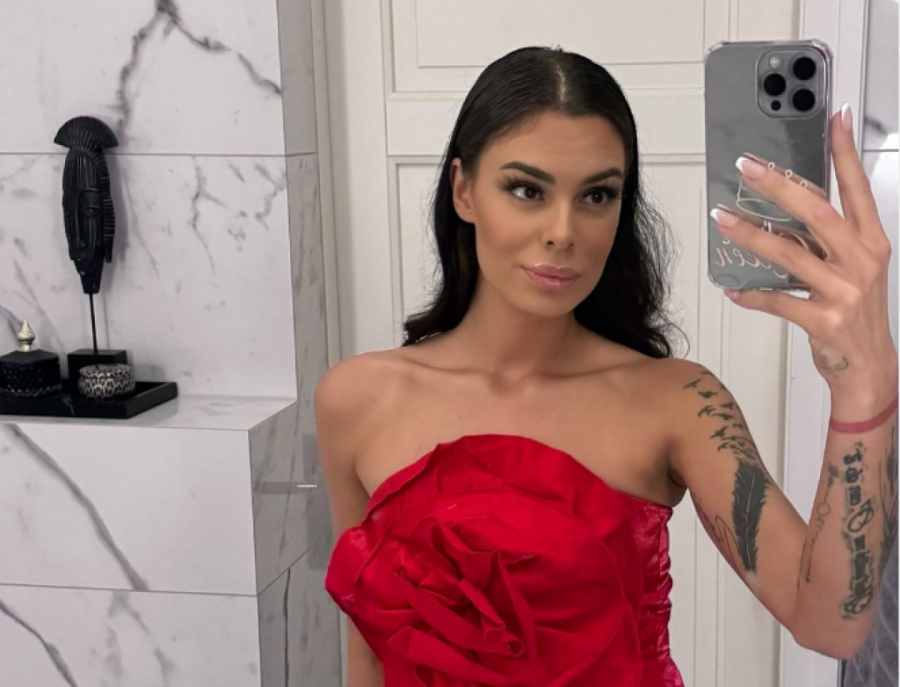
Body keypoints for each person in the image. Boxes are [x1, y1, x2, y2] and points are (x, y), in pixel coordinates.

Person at [314, 46, 898, 687]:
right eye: (527, 190)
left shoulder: (678, 402)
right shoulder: (358, 399)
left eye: (597, 195)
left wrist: (864, 385)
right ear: (464, 191)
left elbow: (828, 624)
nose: (564, 231)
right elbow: (368, 647)